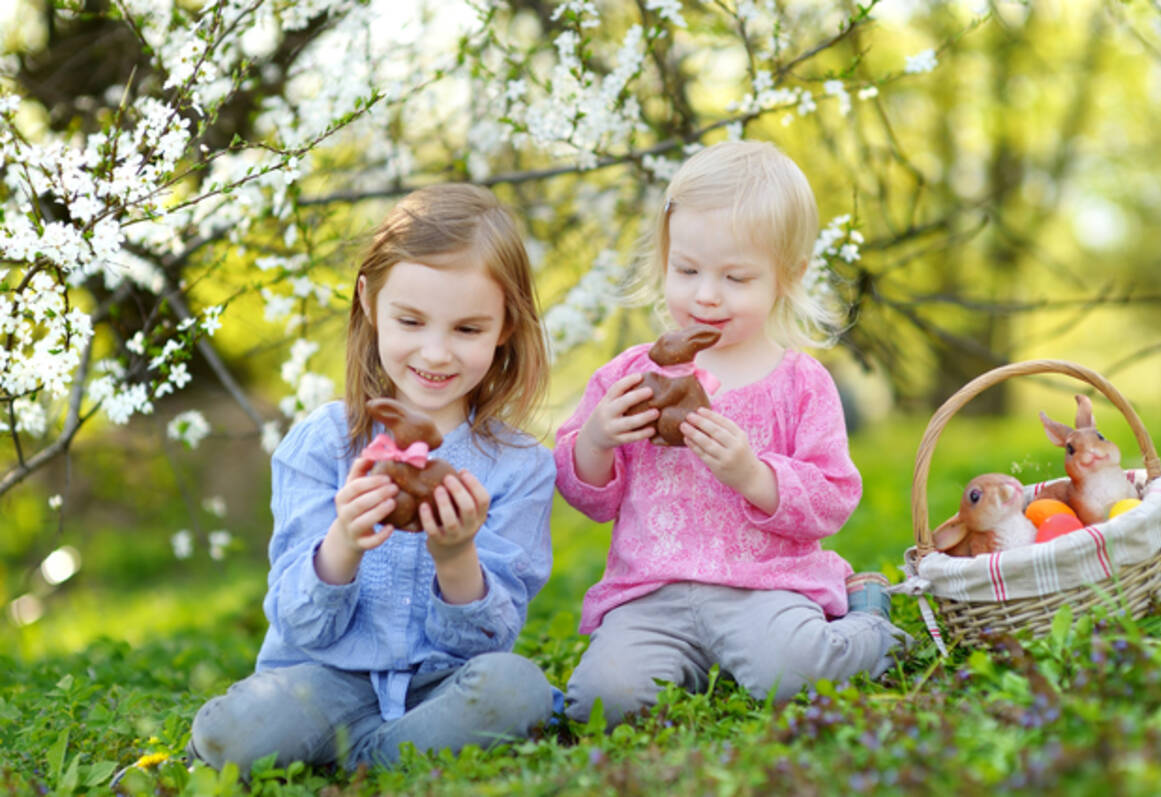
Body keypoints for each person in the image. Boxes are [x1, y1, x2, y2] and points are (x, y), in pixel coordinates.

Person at [190, 184, 557, 772]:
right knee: (240, 730)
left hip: (440, 690)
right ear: (369, 300)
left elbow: (487, 645)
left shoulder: (522, 467)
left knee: (516, 691)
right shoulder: (321, 444)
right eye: (410, 321)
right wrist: (344, 541)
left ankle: (364, 759)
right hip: (323, 685)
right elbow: (297, 623)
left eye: (467, 330)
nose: (435, 354)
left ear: (506, 325)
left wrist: (457, 555)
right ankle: (395, 759)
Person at [554, 140, 906, 729]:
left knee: (794, 674)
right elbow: (585, 493)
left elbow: (833, 496)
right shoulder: (627, 377)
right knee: (600, 702)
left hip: (764, 589)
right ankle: (684, 662)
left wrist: (754, 475)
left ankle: (869, 620)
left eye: (736, 277)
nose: (706, 294)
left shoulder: (800, 382)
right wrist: (595, 441)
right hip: (651, 594)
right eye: (686, 270)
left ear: (785, 277)